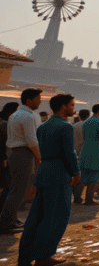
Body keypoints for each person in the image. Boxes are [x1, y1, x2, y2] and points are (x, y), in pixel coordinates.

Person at [18, 93, 79, 266]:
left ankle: (26, 255)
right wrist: (76, 172)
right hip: (59, 174)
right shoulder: (65, 127)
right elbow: (69, 153)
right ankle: (44, 255)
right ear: (63, 107)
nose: (73, 109)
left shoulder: (43, 126)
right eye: (72, 105)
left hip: (44, 172)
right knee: (56, 217)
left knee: (36, 217)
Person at [0, 88, 42, 234]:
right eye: (38, 99)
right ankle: (6, 222)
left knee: (15, 189)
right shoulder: (27, 116)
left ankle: (12, 219)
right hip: (23, 153)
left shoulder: (16, 115)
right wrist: (39, 157)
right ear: (30, 101)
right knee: (18, 191)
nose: (40, 102)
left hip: (15, 153)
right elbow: (31, 141)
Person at [71, 108, 90, 203]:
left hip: (75, 149)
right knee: (83, 174)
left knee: (75, 173)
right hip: (85, 151)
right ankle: (78, 196)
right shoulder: (88, 125)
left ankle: (76, 195)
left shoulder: (74, 126)